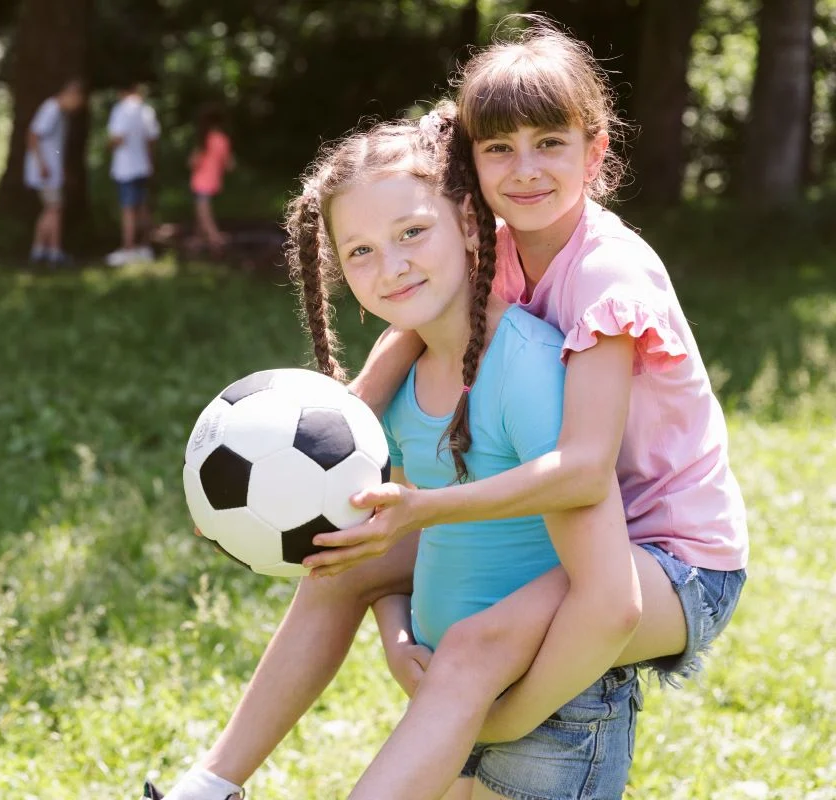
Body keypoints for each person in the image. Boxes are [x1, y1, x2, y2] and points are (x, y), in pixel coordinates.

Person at [148, 17, 748, 800]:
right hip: (585, 525)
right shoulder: (497, 241)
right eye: (499, 148)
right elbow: (411, 327)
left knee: (474, 650)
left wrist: (494, 713)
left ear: (596, 151)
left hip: (672, 553)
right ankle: (210, 784)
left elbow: (582, 470)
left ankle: (487, 720)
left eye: (550, 144)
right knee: (339, 572)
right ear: (472, 167)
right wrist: (324, 443)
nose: (525, 170)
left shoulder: (609, 277)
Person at [25, 78, 85, 267]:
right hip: (46, 171)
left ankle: (43, 250)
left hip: (51, 170)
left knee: (53, 209)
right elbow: (33, 135)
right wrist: (41, 164)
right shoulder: (51, 109)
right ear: (71, 95)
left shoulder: (60, 113)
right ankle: (51, 251)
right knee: (55, 207)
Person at [106, 83, 161, 267]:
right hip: (143, 166)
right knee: (142, 206)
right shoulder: (146, 110)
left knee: (128, 209)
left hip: (125, 168)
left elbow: (117, 138)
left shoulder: (121, 110)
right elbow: (152, 139)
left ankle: (128, 248)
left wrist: (109, 146)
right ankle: (145, 246)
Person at [189, 105, 234, 255]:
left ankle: (215, 239)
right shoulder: (222, 139)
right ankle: (198, 239)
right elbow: (229, 164)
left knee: (204, 213)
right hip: (214, 181)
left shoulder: (204, 140)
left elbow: (192, 162)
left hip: (201, 181)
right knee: (200, 212)